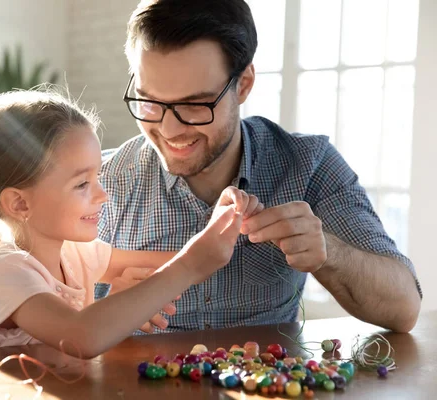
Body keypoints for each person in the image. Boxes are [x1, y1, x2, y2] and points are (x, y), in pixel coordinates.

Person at [97, 0, 421, 334]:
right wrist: (105, 313)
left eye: (194, 105)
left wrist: (329, 252)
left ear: (245, 84)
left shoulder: (307, 165)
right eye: (149, 102)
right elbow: (48, 331)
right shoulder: (101, 182)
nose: (169, 130)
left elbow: (404, 309)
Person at [0, 90, 261, 358]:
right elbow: (82, 336)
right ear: (20, 203)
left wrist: (226, 225)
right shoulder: (6, 274)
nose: (102, 195)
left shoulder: (77, 254)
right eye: (82, 184)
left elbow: (164, 263)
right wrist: (189, 266)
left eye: (97, 177)